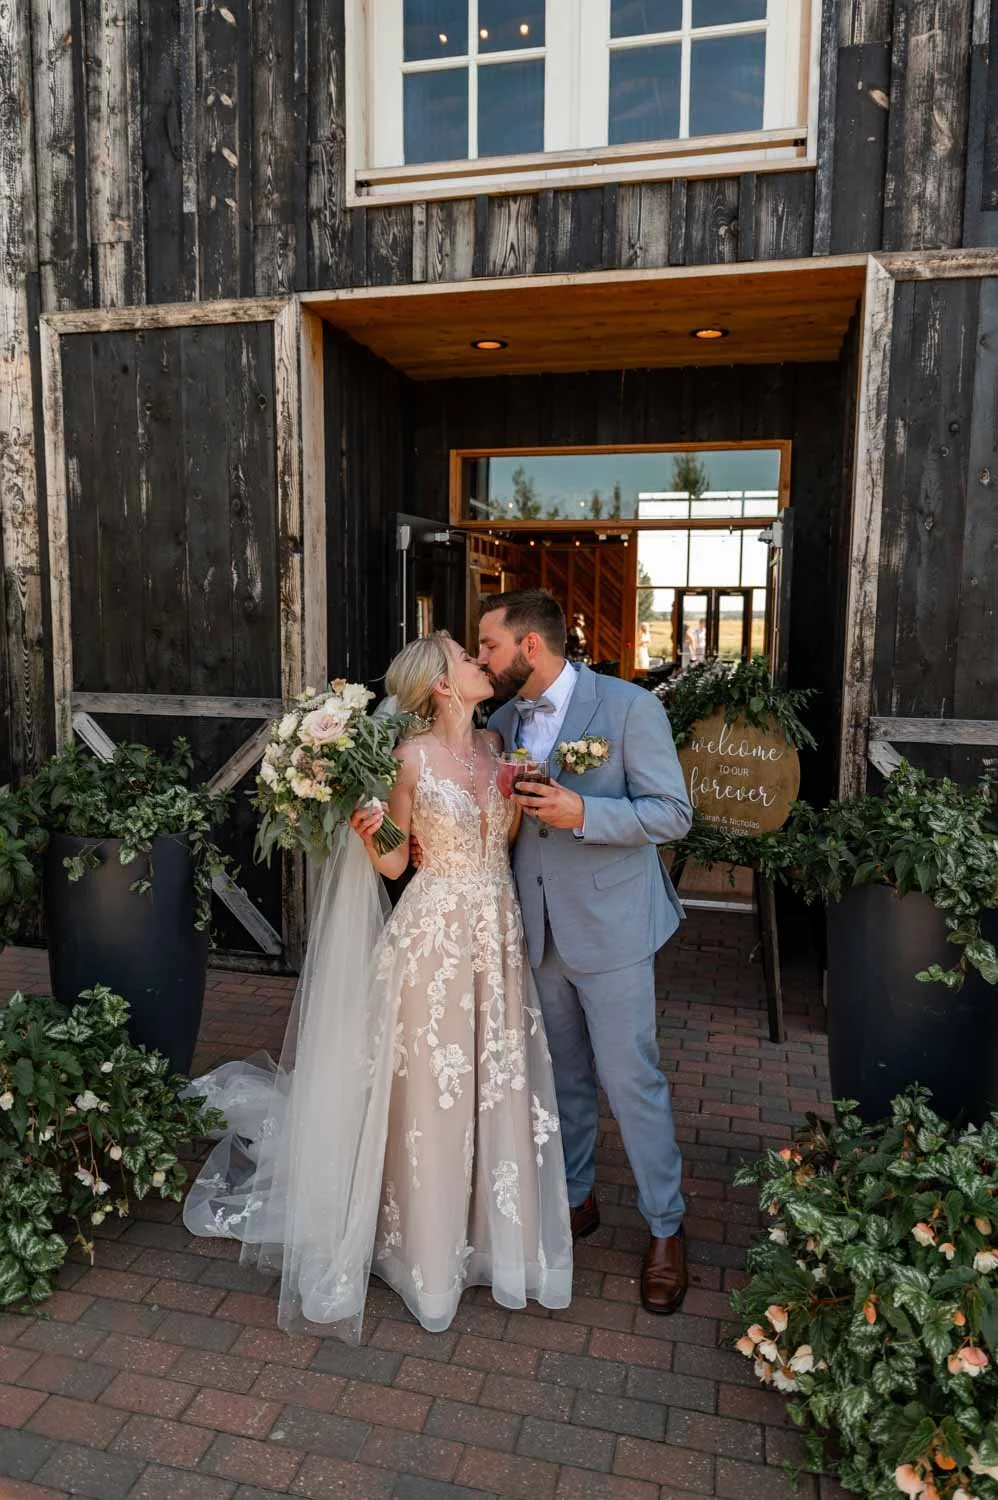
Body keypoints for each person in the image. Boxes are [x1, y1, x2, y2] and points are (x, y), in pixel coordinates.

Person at [183, 633, 572, 1339]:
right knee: (431, 1088)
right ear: (441, 685)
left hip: (497, 929)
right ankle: (421, 1251)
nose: (480, 661)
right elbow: (396, 866)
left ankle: (488, 1237)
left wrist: (521, 796)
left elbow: (503, 840)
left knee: (493, 1080)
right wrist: (370, 830)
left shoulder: (495, 749)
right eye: (465, 656)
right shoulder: (408, 758)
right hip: (436, 938)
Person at [477, 589, 693, 1315]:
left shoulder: (632, 709)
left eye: (489, 647)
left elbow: (673, 813)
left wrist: (584, 812)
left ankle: (667, 1226)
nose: (483, 660)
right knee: (563, 1078)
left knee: (633, 1082)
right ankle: (577, 1197)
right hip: (536, 930)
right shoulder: (502, 720)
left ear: (530, 647)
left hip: (613, 929)